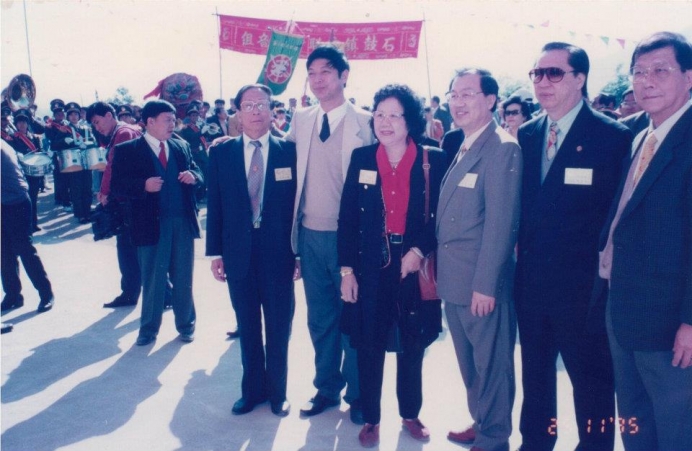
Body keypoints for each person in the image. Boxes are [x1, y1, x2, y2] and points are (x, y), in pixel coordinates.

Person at [514, 42, 632, 451]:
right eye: (537, 73)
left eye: (554, 73)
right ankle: (537, 442)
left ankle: (595, 445)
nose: (542, 82)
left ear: (580, 79)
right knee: (536, 379)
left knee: (592, 381)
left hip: (584, 292)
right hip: (531, 288)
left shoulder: (612, 137)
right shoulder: (527, 134)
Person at [595, 31, 692, 451]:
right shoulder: (641, 135)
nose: (646, 81)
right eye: (638, 72)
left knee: (676, 427)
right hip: (624, 308)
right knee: (634, 422)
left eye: (660, 71)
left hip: (671, 323)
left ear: (689, 77)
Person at [338, 84, 445, 448]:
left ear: (410, 120)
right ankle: (371, 418)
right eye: (379, 114)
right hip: (372, 266)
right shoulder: (363, 158)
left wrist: (418, 250)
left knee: (413, 342)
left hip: (415, 264)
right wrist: (347, 271)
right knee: (369, 342)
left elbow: (442, 219)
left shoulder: (433, 159)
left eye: (394, 115)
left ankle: (410, 414)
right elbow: (348, 219)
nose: (384, 122)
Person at [287, 44, 375, 424]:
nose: (318, 79)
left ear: (344, 75)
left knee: (353, 318)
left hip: (351, 241)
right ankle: (326, 387)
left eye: (326, 71)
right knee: (320, 318)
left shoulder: (368, 123)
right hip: (310, 235)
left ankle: (359, 394)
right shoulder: (301, 119)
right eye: (312, 72)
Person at [437, 68, 522, 451]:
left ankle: (494, 439)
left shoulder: (502, 147)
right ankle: (481, 422)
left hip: (479, 286)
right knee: (471, 367)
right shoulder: (466, 142)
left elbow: (501, 224)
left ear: (491, 100)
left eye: (468, 94)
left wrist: (486, 285)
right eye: (454, 94)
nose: (458, 101)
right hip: (454, 281)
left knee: (492, 370)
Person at [206, 84, 297, 417]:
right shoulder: (221, 153)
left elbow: (297, 207)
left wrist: (298, 252)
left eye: (262, 104)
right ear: (238, 112)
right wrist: (215, 253)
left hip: (278, 253)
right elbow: (214, 205)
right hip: (238, 252)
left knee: (278, 324)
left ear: (272, 109)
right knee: (246, 323)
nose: (256, 110)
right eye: (249, 105)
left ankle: (278, 393)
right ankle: (252, 390)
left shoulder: (290, 151)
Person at [110, 99, 201, 346]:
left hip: (181, 221)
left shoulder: (180, 146)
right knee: (152, 278)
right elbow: (116, 185)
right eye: (167, 120)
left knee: (184, 276)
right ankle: (148, 330)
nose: (173, 124)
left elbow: (198, 171)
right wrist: (143, 186)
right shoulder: (128, 150)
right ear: (150, 122)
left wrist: (194, 176)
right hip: (149, 224)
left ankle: (186, 325)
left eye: (174, 120)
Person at [87, 101, 143, 308]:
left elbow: (113, 167)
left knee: (133, 250)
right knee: (131, 249)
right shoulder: (124, 131)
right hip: (131, 199)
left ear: (109, 115)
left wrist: (103, 191)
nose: (97, 127)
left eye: (97, 121)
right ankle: (132, 292)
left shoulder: (123, 134)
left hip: (130, 201)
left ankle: (156, 294)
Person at [1, 140, 54, 313]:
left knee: (25, 250)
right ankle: (13, 295)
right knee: (4, 252)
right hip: (4, 202)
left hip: (16, 202)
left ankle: (46, 294)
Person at [10, 109, 44, 232]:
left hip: (33, 173)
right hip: (20, 173)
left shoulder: (34, 138)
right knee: (23, 199)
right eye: (19, 122)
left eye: (24, 122)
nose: (22, 124)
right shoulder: (13, 139)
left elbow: (40, 153)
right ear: (16, 124)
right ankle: (24, 225)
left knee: (33, 199)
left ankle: (33, 223)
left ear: (28, 123)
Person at [64, 102, 93, 224]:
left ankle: (87, 212)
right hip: (73, 163)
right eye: (71, 115)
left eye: (76, 114)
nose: (74, 117)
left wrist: (89, 143)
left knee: (87, 187)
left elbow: (94, 141)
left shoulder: (85, 129)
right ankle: (80, 214)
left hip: (86, 161)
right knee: (76, 189)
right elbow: (56, 144)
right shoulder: (64, 130)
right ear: (68, 117)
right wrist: (66, 141)